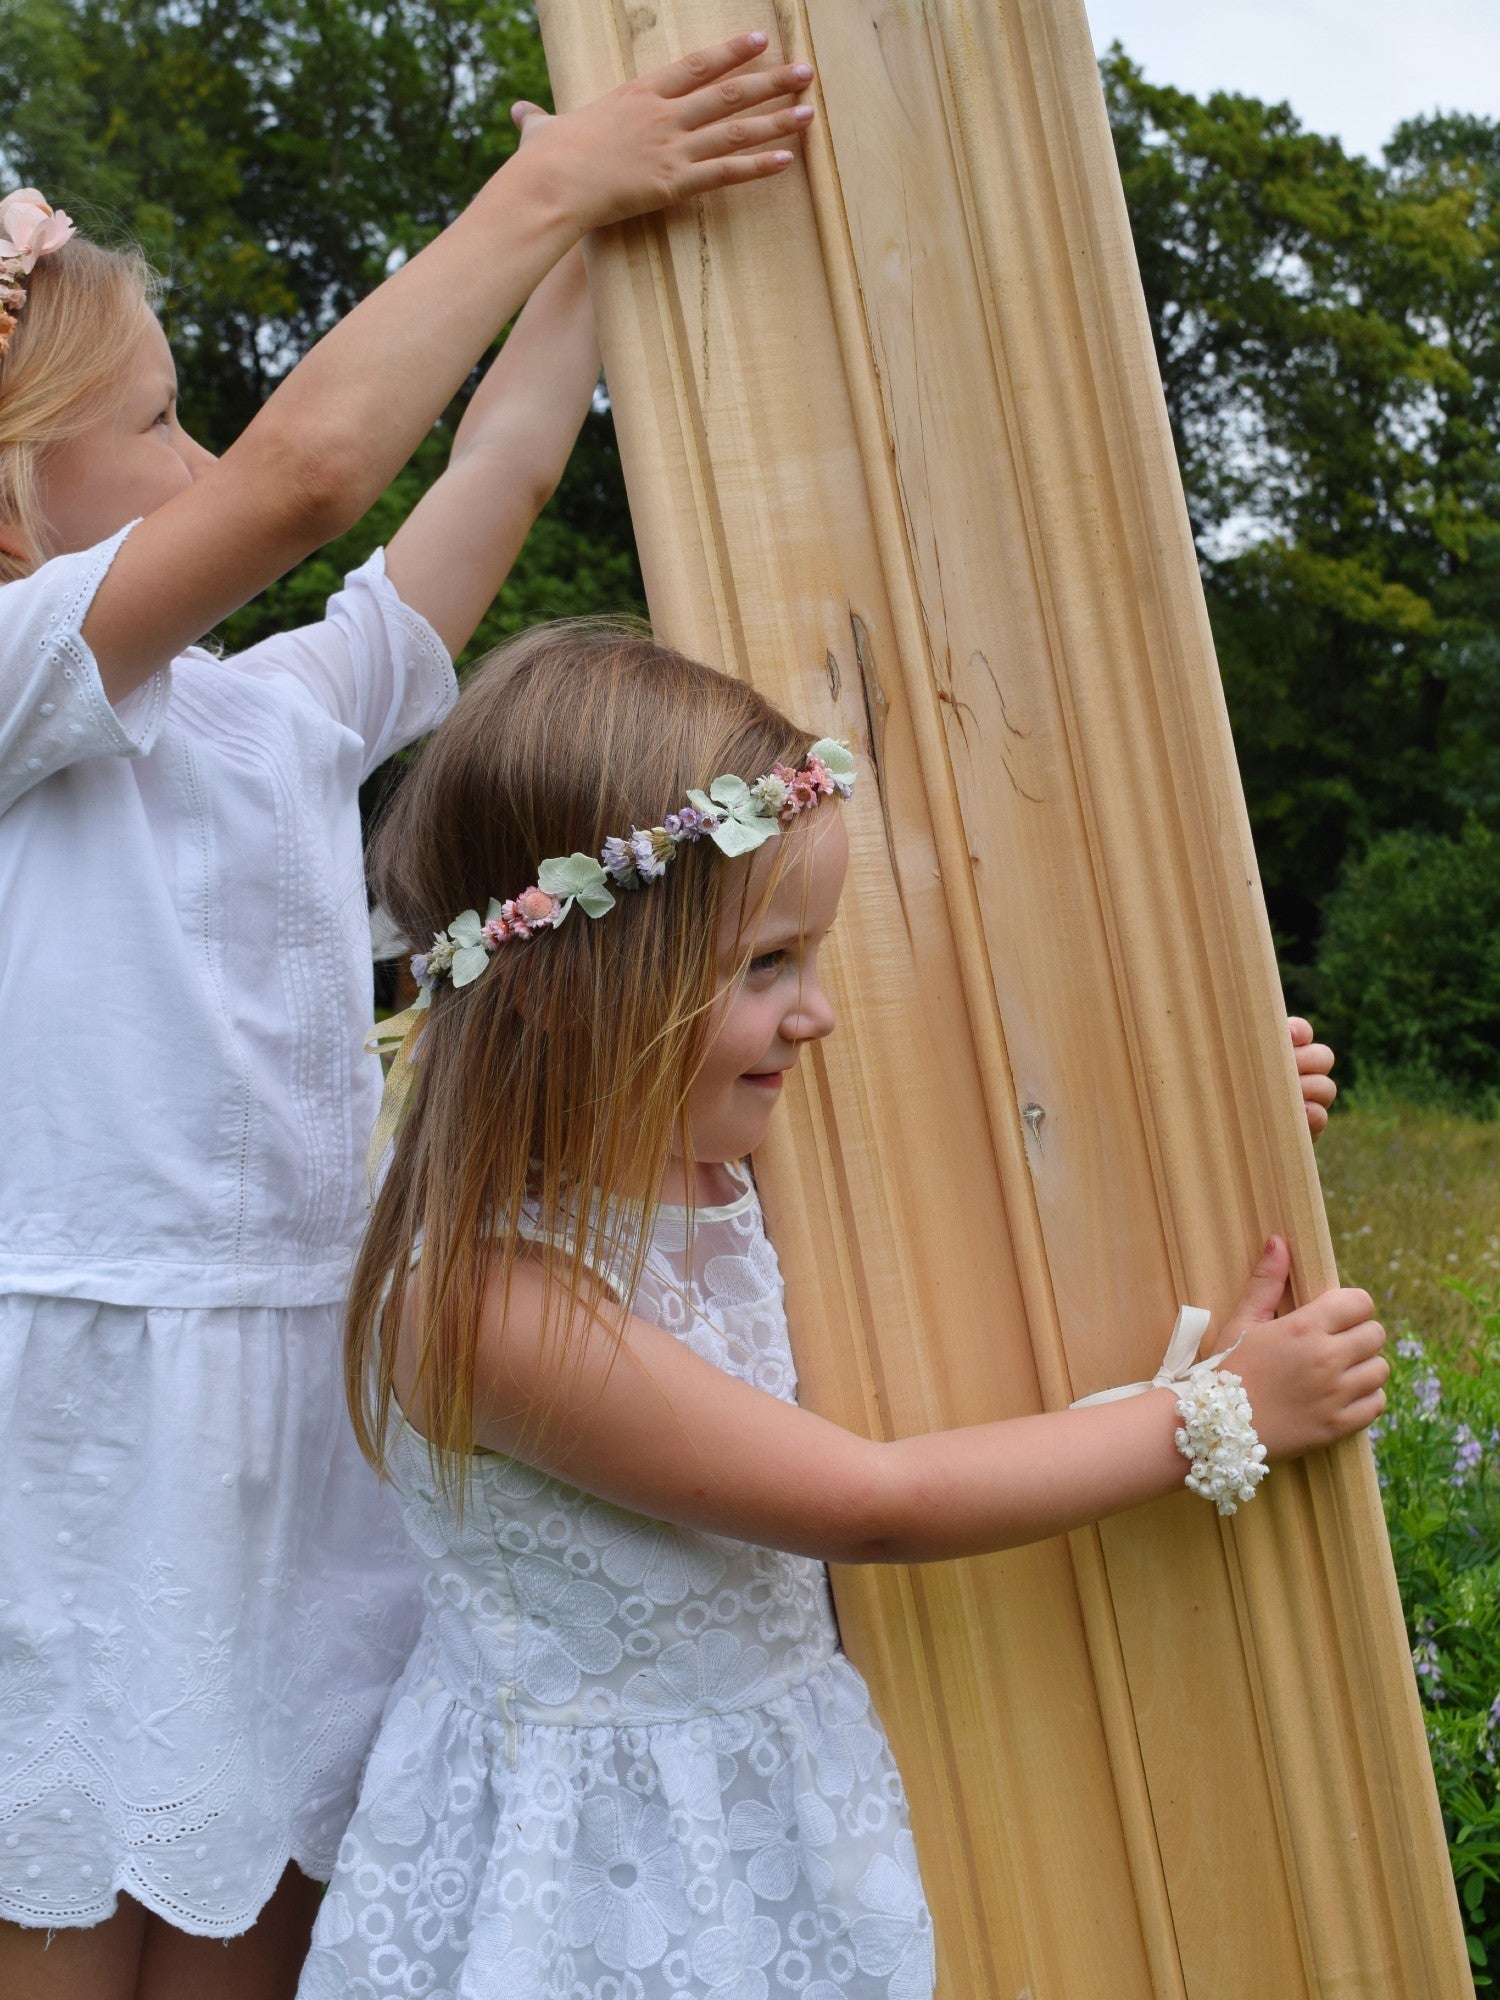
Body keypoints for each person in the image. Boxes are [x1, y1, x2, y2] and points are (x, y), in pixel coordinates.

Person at [0, 34, 818, 2000]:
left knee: (279, 1866)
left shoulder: (283, 706)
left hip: (310, 1364)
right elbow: (312, 468)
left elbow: (496, 466)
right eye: (159, 422)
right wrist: (533, 194)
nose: (207, 459)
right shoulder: (18, 674)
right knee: (68, 1893)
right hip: (103, 1394)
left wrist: (596, 232)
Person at [299, 622, 1381, 1999]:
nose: (818, 1014)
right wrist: (1217, 1417)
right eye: (768, 967)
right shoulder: (490, 1309)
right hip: (602, 1875)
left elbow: (982, 1230)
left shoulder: (706, 1166)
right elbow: (873, 1500)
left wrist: (1206, 1134)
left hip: (764, 1813)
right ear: (578, 989)